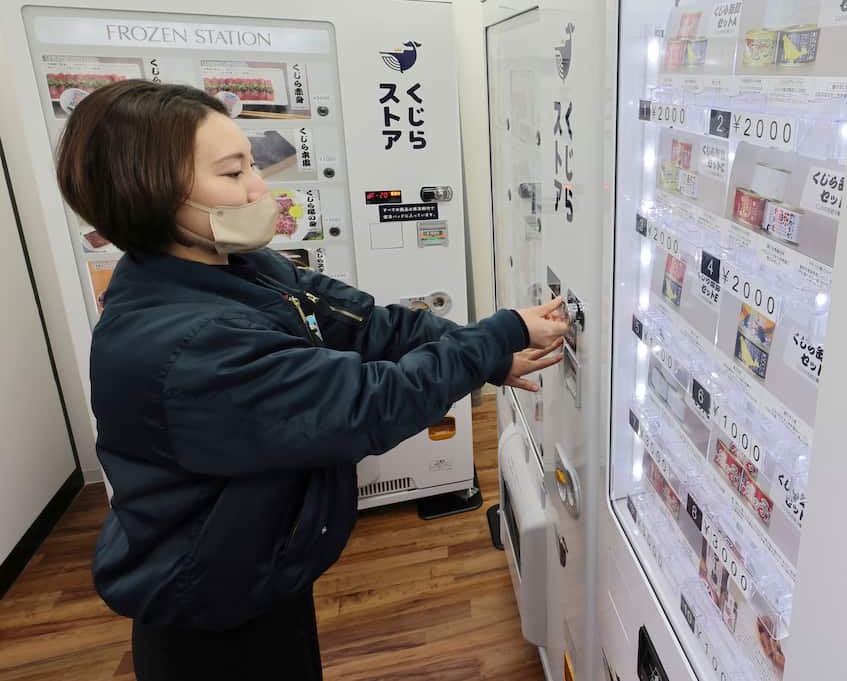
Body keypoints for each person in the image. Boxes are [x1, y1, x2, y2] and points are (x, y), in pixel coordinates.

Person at [54, 80, 569, 681]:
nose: (258, 187)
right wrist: (499, 335)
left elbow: (368, 326)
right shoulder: (187, 346)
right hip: (210, 609)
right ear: (151, 195)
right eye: (232, 173)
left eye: (251, 163)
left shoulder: (237, 267)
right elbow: (368, 405)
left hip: (258, 561)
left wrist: (486, 351)